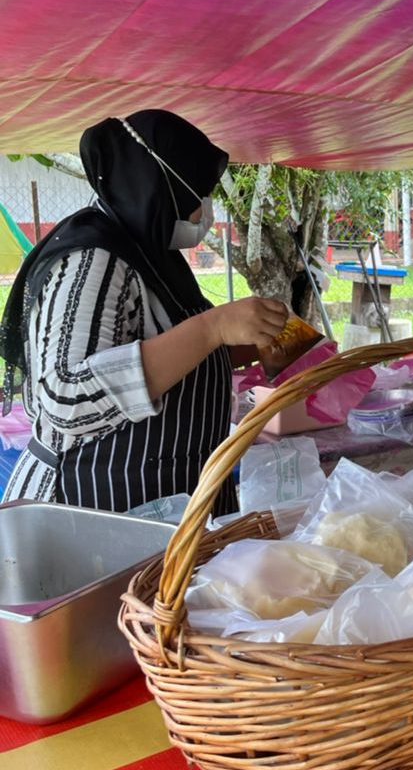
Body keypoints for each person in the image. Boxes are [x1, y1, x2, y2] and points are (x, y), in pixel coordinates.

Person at [0, 110, 288, 513]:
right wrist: (213, 328)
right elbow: (65, 395)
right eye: (196, 195)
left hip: (170, 503)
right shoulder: (93, 260)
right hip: (95, 511)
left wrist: (249, 343)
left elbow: (162, 350)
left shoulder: (150, 255)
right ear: (159, 186)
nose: (202, 211)